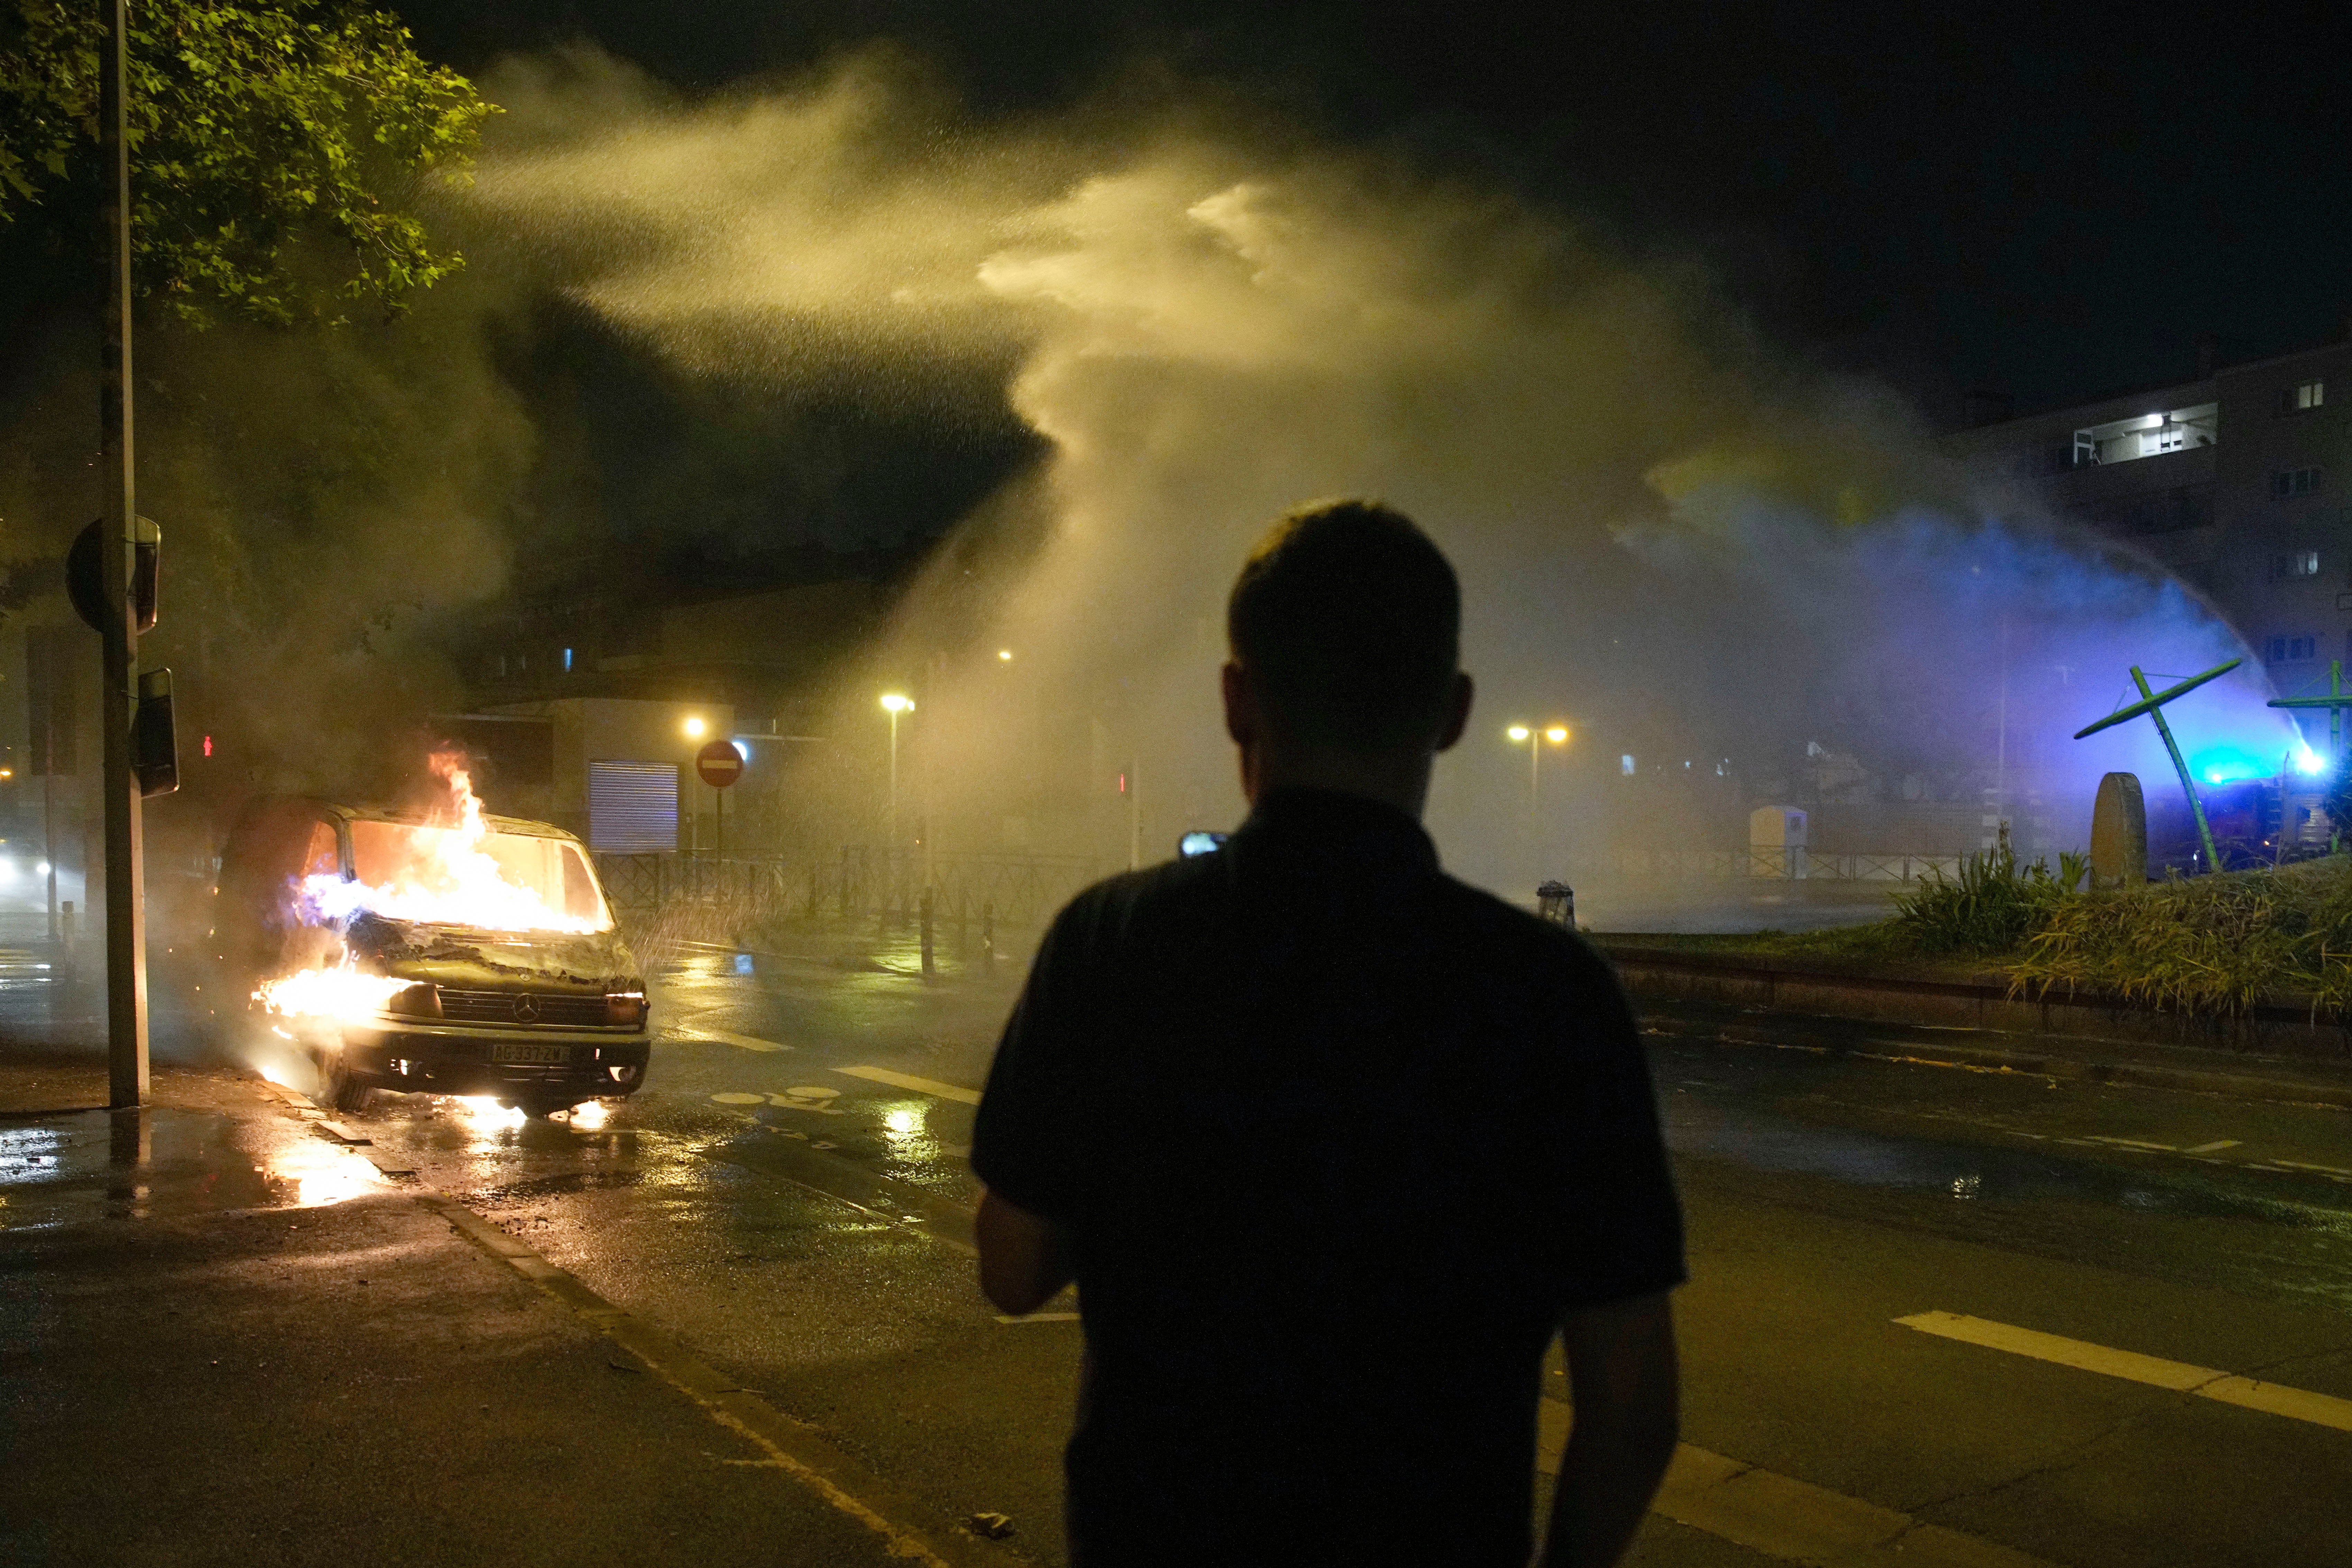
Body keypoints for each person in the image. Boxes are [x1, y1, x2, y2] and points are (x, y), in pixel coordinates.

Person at [970, 498, 1685, 1567]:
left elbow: (1012, 1270)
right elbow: (1628, 1409)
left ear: (1235, 701)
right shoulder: (1550, 992)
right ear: (1451, 712)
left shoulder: (1111, 941)